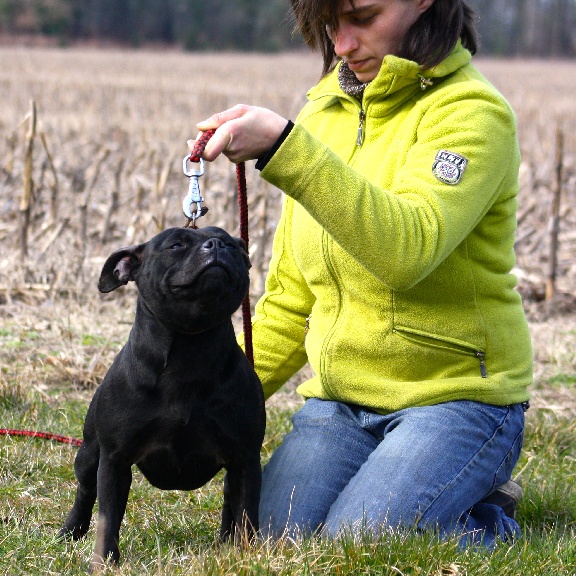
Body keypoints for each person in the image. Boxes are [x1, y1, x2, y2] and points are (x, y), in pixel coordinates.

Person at [190, 0, 532, 548]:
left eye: (363, 17)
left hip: (456, 399)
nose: (342, 44)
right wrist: (196, 396)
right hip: (340, 404)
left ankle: (486, 517)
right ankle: (423, 491)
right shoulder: (324, 117)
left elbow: (408, 248)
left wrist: (286, 148)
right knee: (264, 539)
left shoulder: (472, 113)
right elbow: (290, 301)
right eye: (329, 25)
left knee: (357, 545)